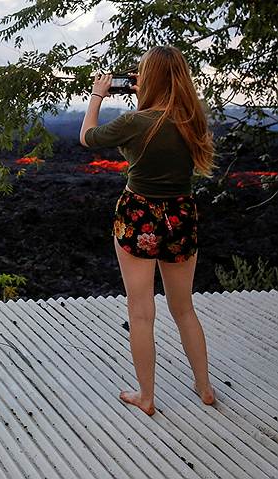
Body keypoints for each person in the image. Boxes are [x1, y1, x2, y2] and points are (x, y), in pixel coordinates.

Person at [80, 46, 216, 416]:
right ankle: (204, 386)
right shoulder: (193, 121)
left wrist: (97, 95)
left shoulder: (134, 122)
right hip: (181, 215)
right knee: (183, 307)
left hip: (138, 214)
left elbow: (88, 137)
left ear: (148, 78)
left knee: (141, 310)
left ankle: (147, 397)